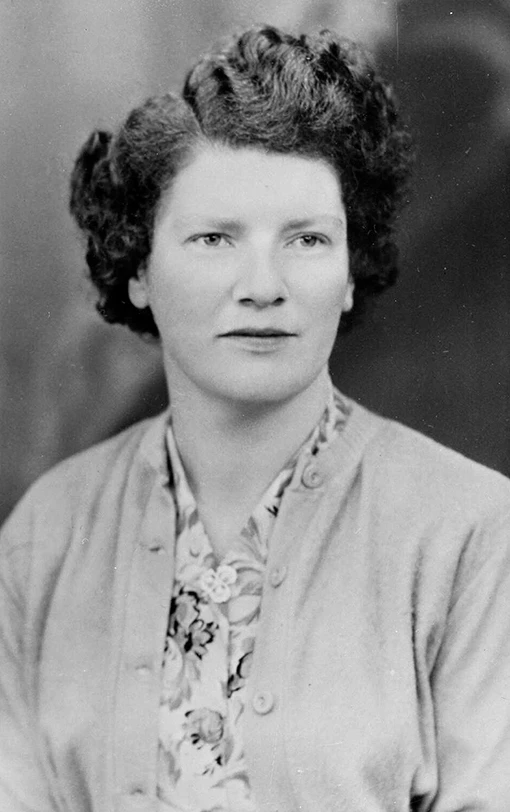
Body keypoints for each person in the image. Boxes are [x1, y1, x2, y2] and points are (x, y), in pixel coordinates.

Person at [1, 24, 509, 812]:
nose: (262, 285)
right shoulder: (47, 535)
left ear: (350, 273)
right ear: (139, 269)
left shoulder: (470, 534)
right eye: (213, 239)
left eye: (307, 239)